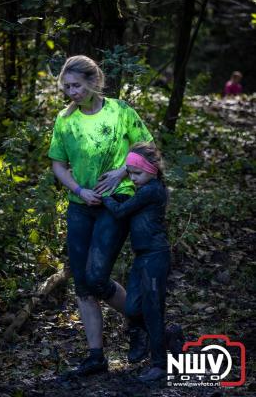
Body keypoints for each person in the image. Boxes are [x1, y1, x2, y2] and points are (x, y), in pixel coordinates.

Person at [48, 55, 154, 376]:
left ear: (93, 82)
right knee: (82, 283)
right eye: (66, 87)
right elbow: (58, 164)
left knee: (96, 277)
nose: (72, 92)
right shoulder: (65, 121)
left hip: (117, 202)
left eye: (77, 85)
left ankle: (141, 322)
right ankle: (96, 357)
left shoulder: (121, 112)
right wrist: (80, 191)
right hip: (81, 206)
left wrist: (122, 170)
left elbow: (146, 146)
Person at [102, 142, 171, 382]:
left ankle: (160, 365)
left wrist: (105, 196)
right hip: (142, 256)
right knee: (132, 307)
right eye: (130, 173)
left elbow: (121, 212)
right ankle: (168, 337)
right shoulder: (143, 187)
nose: (133, 178)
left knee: (153, 309)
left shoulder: (152, 190)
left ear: (152, 170)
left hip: (156, 256)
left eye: (137, 173)